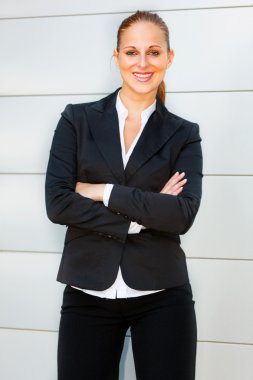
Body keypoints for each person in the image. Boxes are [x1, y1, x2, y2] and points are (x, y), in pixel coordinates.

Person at [45, 10, 202, 380]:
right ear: (116, 58)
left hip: (163, 294)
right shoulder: (76, 120)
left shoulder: (183, 134)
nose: (142, 63)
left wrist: (104, 191)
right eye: (131, 52)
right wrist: (143, 215)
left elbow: (180, 215)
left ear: (169, 57)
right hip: (87, 292)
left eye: (153, 52)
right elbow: (58, 202)